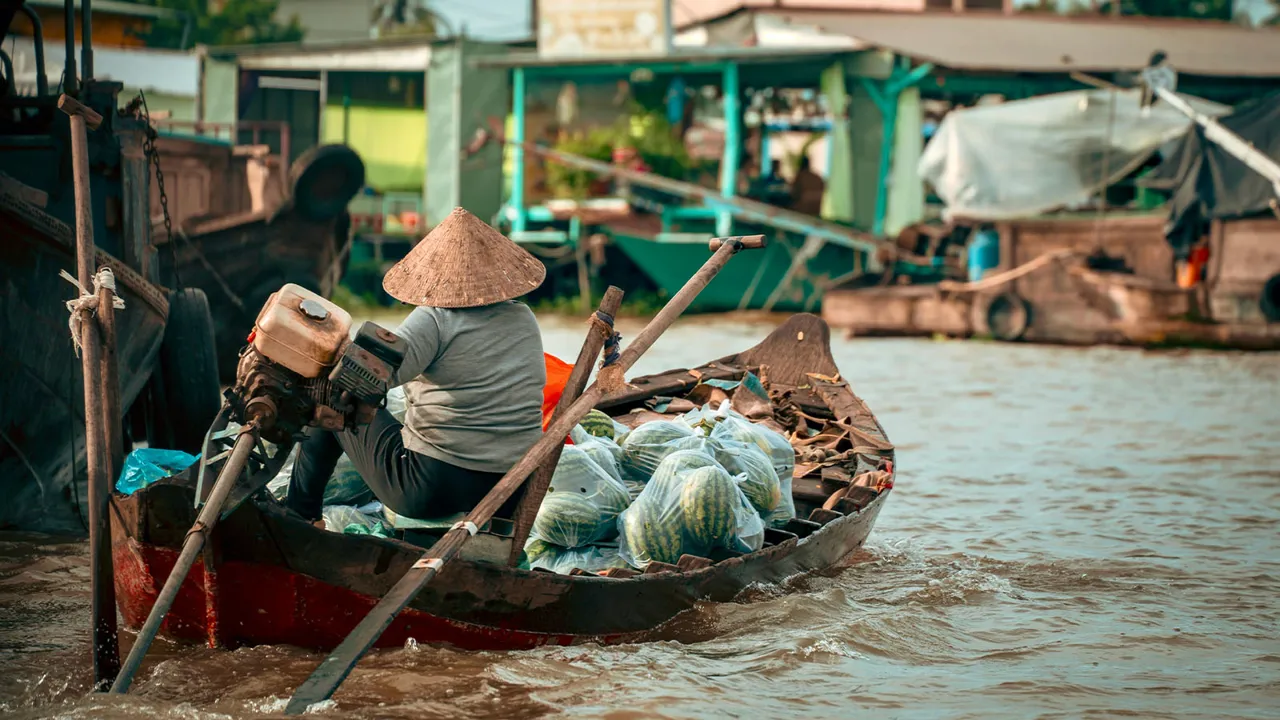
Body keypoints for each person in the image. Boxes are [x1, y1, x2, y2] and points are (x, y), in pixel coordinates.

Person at [285, 207, 548, 524]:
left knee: (331, 399)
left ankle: (300, 516)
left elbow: (369, 377)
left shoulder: (437, 319)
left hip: (432, 487)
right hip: (513, 490)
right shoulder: (524, 317)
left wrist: (330, 356)